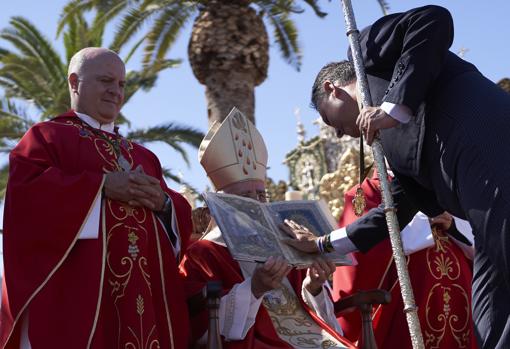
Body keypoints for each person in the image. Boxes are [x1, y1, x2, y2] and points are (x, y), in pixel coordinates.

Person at [285, 5, 510, 348]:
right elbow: (390, 215)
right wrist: (320, 245)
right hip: (474, 200)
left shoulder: (362, 54)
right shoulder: (392, 151)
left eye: (332, 124)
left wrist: (393, 107)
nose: (342, 136)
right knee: (490, 313)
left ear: (332, 88)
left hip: (487, 145)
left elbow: (432, 19)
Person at [0, 47, 193, 349]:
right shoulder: (46, 138)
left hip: (142, 302)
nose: (115, 91)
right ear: (75, 83)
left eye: (121, 84)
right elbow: (28, 201)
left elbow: (178, 216)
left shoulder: (144, 155)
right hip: (79, 300)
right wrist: (100, 187)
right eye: (106, 81)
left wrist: (164, 205)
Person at [179, 108, 356, 348]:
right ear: (222, 203)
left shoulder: (286, 242)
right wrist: (253, 289)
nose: (255, 202)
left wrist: (313, 285)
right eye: (244, 196)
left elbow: (306, 309)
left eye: (260, 194)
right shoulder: (204, 253)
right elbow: (201, 324)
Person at [334, 171, 477, 349]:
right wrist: (424, 221)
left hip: (461, 300)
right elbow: (360, 257)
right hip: (406, 308)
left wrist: (452, 225)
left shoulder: (446, 185)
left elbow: (480, 243)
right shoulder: (367, 192)